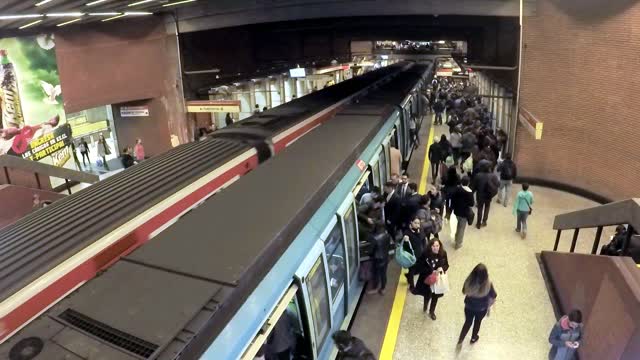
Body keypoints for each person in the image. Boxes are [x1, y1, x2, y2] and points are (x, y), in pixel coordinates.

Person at [458, 263, 497, 345]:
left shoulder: (469, 281)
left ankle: (460, 340)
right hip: (481, 309)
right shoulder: (488, 284)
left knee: (467, 322)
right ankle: (473, 338)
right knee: (477, 322)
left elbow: (464, 291)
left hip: (469, 307)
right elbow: (494, 295)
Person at [414, 239, 449, 320]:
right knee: (427, 294)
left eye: (437, 246)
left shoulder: (443, 253)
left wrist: (442, 268)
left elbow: (447, 265)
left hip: (437, 280)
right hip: (427, 279)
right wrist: (431, 271)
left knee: (435, 296)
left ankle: (432, 311)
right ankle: (425, 305)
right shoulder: (425, 254)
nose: (436, 248)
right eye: (433, 246)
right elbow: (419, 266)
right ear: (430, 246)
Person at [471, 161, 499, 229]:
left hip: (480, 195)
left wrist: (471, 194)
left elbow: (473, 187)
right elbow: (498, 185)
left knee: (480, 208)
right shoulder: (493, 176)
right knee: (487, 207)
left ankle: (478, 223)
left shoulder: (478, 175)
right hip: (489, 195)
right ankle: (484, 221)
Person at [450, 176, 474, 249]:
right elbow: (471, 204)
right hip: (464, 213)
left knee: (457, 225)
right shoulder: (469, 192)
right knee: (461, 228)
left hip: (456, 211)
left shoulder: (457, 189)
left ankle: (456, 237)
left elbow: (452, 199)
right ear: (468, 183)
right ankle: (458, 243)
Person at [403, 216, 426, 291]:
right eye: (415, 223)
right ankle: (412, 286)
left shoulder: (420, 230)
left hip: (419, 254)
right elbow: (405, 245)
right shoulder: (407, 233)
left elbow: (422, 240)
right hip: (411, 256)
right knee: (412, 270)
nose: (417, 225)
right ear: (411, 223)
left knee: (418, 269)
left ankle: (408, 276)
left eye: (418, 223)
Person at [368, 222, 391, 295]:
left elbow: (371, 251)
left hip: (377, 259)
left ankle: (375, 288)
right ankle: (383, 288)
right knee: (383, 274)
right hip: (385, 257)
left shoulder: (374, 238)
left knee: (375, 274)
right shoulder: (387, 235)